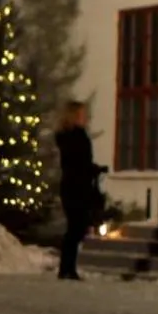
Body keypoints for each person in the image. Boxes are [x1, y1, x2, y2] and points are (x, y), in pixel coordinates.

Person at [53, 100, 105, 281]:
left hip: (72, 184)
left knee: (75, 227)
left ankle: (67, 267)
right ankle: (67, 268)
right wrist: (92, 170)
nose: (86, 118)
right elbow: (78, 163)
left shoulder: (67, 136)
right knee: (76, 227)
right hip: (76, 186)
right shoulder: (76, 136)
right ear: (74, 116)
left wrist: (93, 169)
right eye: (83, 114)